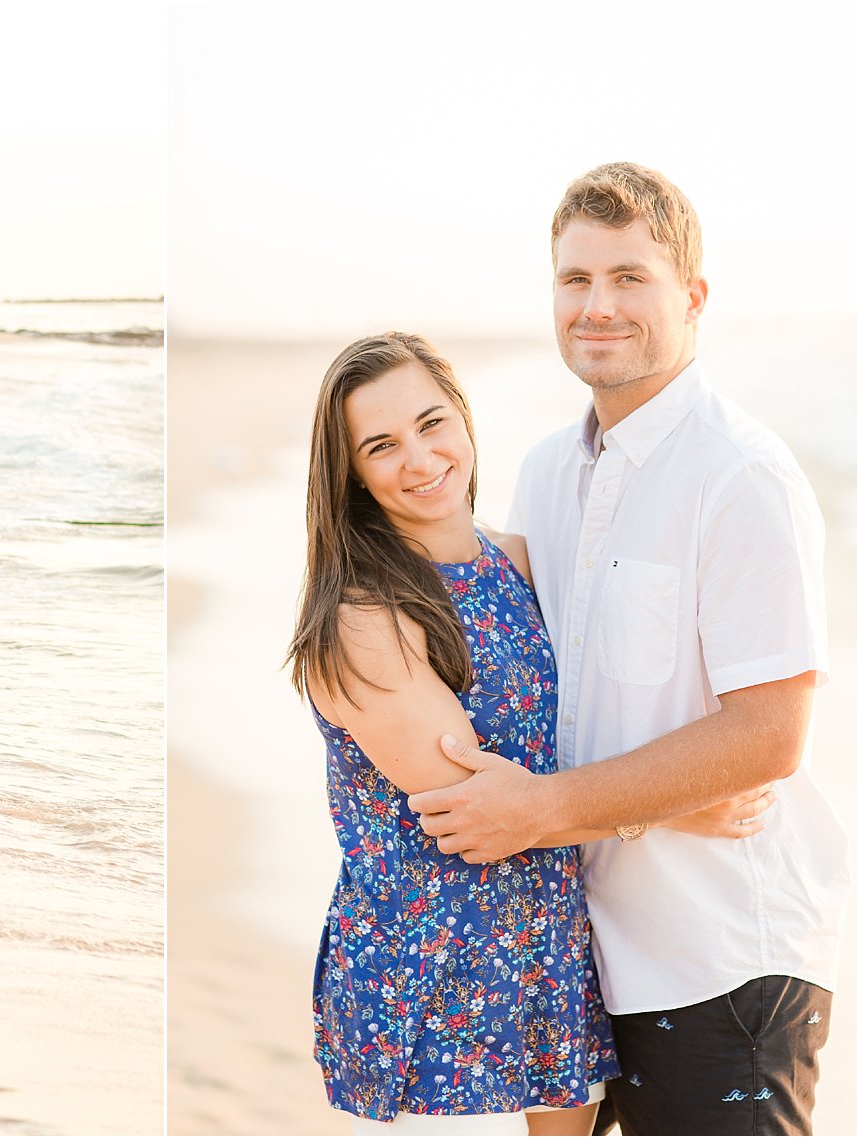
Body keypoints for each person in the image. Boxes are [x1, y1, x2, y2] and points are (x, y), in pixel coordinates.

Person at [408, 163, 847, 1135]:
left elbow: (769, 737)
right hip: (580, 954)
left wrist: (545, 808)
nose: (595, 305)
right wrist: (661, 802)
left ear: (690, 297)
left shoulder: (738, 477)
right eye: (573, 280)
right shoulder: (544, 472)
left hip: (721, 963)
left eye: (627, 277)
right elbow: (522, 691)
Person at [287, 331, 631, 1135]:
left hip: (546, 937)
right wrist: (678, 806)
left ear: (465, 421)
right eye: (381, 445)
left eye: (431, 422)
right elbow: (477, 814)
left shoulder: (519, 562)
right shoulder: (362, 620)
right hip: (432, 977)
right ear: (351, 476)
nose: (420, 459)